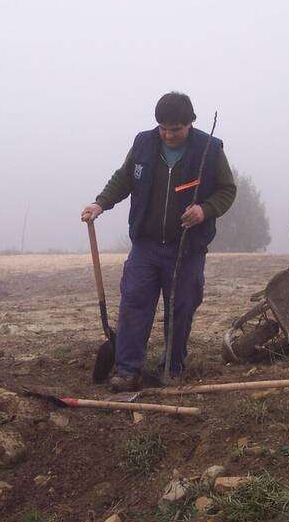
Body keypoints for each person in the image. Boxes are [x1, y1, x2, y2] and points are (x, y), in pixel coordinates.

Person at [81, 92, 237, 392]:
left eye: (175, 129)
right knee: (134, 304)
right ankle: (128, 370)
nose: (168, 134)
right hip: (146, 245)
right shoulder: (143, 143)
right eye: (163, 128)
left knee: (181, 307)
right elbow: (123, 179)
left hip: (186, 248)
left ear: (190, 124)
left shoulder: (210, 149)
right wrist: (100, 204)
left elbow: (227, 190)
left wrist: (205, 210)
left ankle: (172, 366)